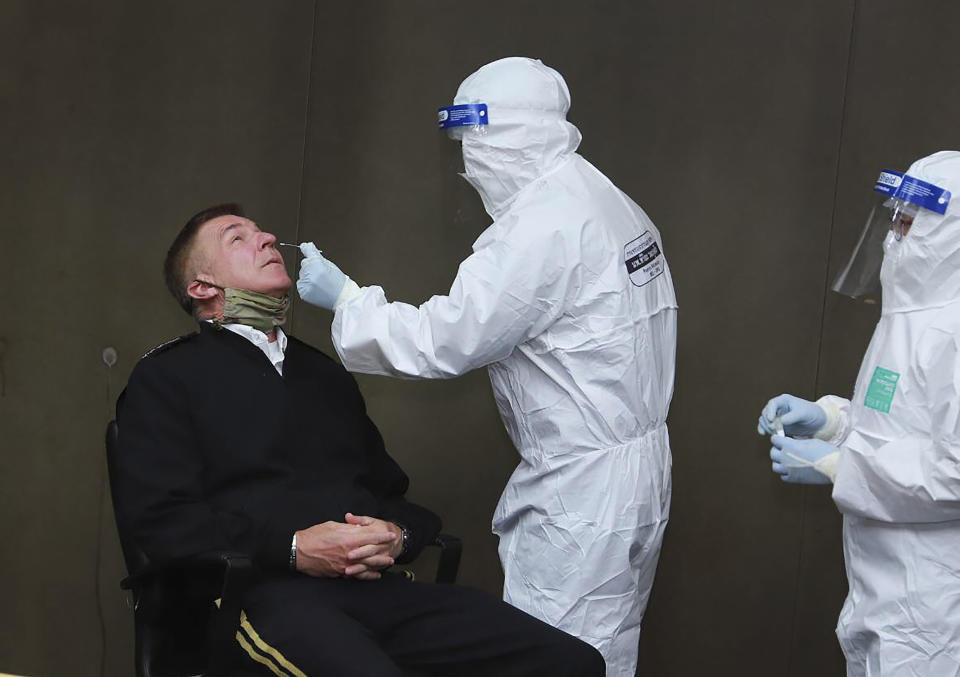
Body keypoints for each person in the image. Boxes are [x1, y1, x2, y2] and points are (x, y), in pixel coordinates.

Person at [295, 57, 677, 677]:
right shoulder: (601, 198)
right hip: (636, 471)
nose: (467, 164)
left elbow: (444, 340)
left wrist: (348, 300)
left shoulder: (539, 231)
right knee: (606, 647)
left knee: (551, 654)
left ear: (508, 137)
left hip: (581, 491)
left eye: (473, 143)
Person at [113, 203, 605, 677]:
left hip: (373, 591)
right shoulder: (167, 377)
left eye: (261, 230)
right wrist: (291, 547)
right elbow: (161, 520)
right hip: (255, 596)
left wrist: (399, 534)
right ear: (201, 287)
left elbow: (392, 493)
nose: (265, 238)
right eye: (236, 238)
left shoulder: (322, 373)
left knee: (572, 663)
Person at [758, 151, 960, 675]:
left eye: (911, 222)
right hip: (886, 589)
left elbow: (955, 474)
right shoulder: (914, 313)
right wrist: (833, 422)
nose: (894, 234)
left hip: (935, 604)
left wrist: (839, 466)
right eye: (893, 216)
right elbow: (903, 427)